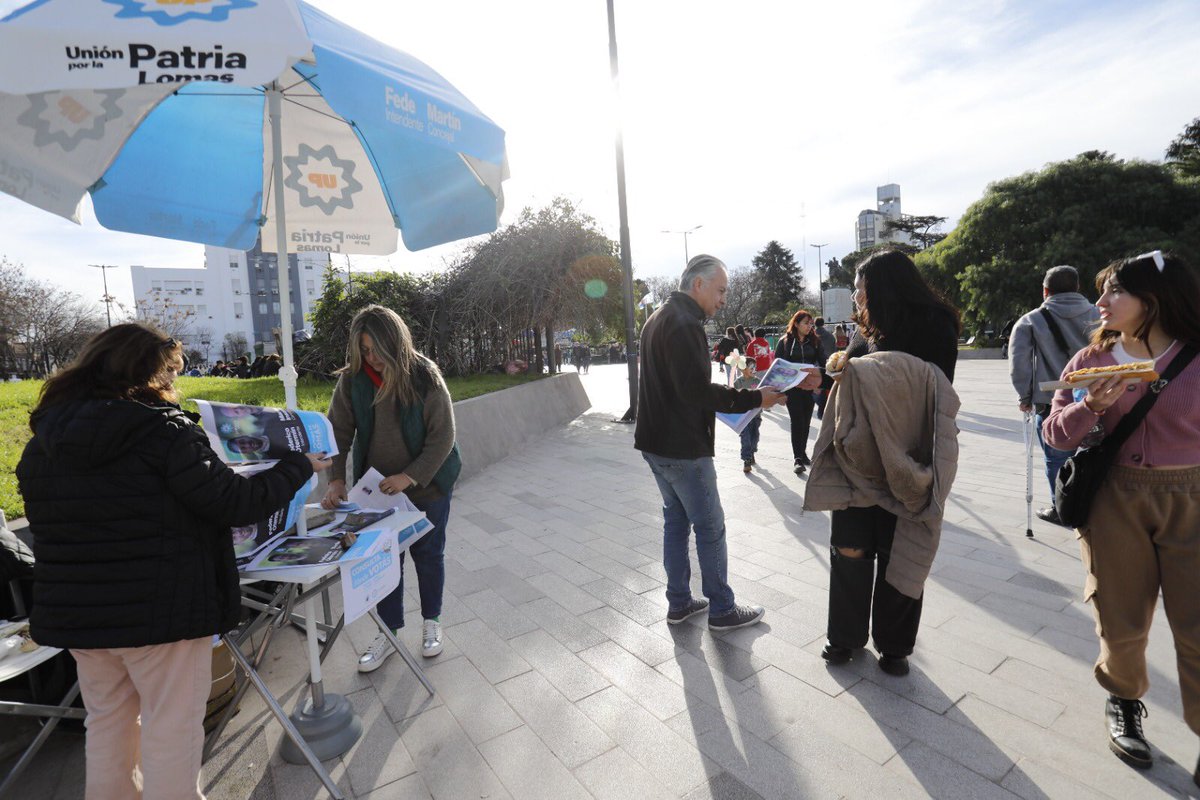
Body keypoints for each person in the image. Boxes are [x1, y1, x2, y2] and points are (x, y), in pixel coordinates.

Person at [15, 323, 325, 799]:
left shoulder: (44, 444)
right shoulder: (162, 432)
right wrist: (298, 465)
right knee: (171, 730)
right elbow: (234, 503)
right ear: (147, 373)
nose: (173, 382)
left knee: (108, 723)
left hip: (81, 618)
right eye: (169, 371)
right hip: (163, 615)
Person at [1042, 251, 1200, 785]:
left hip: (1192, 496)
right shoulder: (1092, 358)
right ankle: (1124, 701)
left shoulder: (1196, 357)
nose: (1101, 302)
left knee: (1197, 626)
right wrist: (1089, 407)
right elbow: (1056, 434)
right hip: (1115, 499)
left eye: (1114, 292)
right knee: (1121, 618)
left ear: (1152, 300)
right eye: (1102, 291)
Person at [635, 254, 802, 631]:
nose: (723, 300)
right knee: (710, 527)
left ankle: (679, 602)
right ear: (698, 285)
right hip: (682, 447)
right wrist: (755, 398)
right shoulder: (684, 324)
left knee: (675, 523)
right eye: (721, 290)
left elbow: (680, 387)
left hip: (655, 443)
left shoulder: (658, 317)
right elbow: (696, 392)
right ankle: (722, 609)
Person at [813, 248, 961, 677]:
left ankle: (895, 647)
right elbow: (853, 378)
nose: (858, 299)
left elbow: (934, 388)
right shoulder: (865, 331)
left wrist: (862, 375)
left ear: (881, 288)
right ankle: (843, 636)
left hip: (906, 456)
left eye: (860, 290)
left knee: (900, 550)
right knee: (850, 547)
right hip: (858, 459)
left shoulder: (935, 325)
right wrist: (831, 377)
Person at [323, 305, 461, 669]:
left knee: (429, 557)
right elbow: (337, 429)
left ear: (395, 342)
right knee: (385, 562)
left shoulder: (425, 375)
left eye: (377, 350)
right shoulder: (353, 379)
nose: (371, 358)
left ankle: (432, 623)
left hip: (427, 486)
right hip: (378, 493)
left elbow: (443, 435)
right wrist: (336, 478)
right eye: (364, 350)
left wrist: (410, 476)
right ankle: (388, 633)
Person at [1008, 265, 1100, 526]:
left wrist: (1025, 397)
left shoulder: (1031, 320)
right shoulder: (1100, 314)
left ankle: (1062, 508)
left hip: (1051, 403)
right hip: (1098, 400)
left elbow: (1020, 364)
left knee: (1057, 457)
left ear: (1045, 290)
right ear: (1078, 287)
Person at [774, 309, 826, 475]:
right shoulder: (784, 342)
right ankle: (797, 458)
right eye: (806, 323)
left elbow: (823, 362)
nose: (809, 326)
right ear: (796, 324)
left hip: (809, 388)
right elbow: (777, 366)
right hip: (792, 389)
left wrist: (821, 381)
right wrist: (779, 392)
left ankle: (802, 453)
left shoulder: (815, 341)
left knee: (805, 422)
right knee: (797, 420)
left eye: (811, 323)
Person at [732, 356, 763, 473]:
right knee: (745, 438)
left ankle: (752, 452)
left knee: (755, 438)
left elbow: (762, 396)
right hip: (743, 417)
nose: (754, 369)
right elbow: (732, 397)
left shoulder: (757, 382)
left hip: (756, 416)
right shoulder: (738, 382)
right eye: (751, 367)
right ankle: (747, 460)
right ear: (743, 368)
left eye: (755, 367)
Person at [812, 317, 838, 421]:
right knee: (827, 390)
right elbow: (834, 350)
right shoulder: (830, 336)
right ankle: (823, 411)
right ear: (823, 324)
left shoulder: (811, 336)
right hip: (828, 365)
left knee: (816, 389)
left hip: (814, 366)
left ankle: (821, 410)